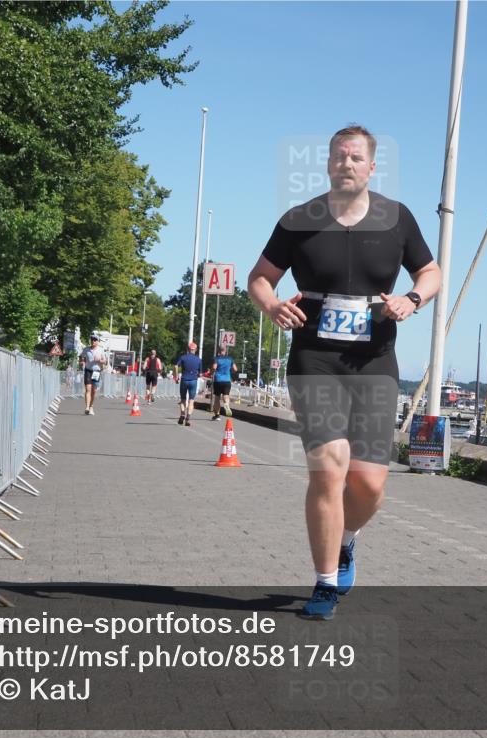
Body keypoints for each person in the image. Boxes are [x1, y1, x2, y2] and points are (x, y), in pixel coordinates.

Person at [248, 125, 441, 620]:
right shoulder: (299, 220)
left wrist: (411, 299)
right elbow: (260, 278)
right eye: (338, 156)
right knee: (331, 465)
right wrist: (272, 307)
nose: (346, 163)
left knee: (370, 485)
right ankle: (325, 583)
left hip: (374, 362)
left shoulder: (397, 219)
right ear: (328, 163)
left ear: (372, 167)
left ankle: (347, 540)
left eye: (356, 157)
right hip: (314, 359)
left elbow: (432, 272)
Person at [174, 342, 202, 426]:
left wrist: (176, 376)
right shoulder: (198, 360)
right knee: (191, 401)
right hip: (193, 381)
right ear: (195, 350)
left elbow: (175, 366)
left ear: (188, 349)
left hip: (184, 380)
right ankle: (188, 418)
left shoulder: (183, 357)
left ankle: (182, 414)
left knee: (183, 399)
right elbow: (200, 374)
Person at [78, 333, 107, 415]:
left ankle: (91, 406)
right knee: (88, 389)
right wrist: (82, 361)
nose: (93, 341)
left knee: (94, 390)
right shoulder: (86, 349)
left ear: (98, 341)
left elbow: (105, 361)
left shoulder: (101, 350)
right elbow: (81, 356)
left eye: (95, 340)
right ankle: (87, 407)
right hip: (88, 370)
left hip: (96, 372)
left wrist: (99, 361)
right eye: (92, 340)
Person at [210, 346, 238, 420]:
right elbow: (235, 369)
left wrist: (211, 373)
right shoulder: (230, 359)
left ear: (219, 351)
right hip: (227, 380)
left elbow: (214, 367)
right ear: (225, 351)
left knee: (217, 398)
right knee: (226, 396)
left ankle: (217, 415)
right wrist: (229, 371)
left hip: (218, 380)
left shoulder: (217, 358)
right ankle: (226, 404)